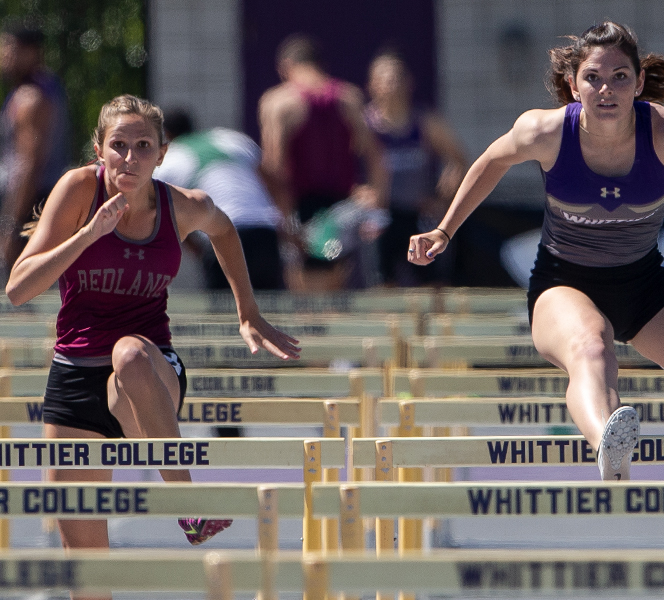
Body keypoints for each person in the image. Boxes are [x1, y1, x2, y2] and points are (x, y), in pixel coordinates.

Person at [407, 22, 664, 480]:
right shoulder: (545, 131)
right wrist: (444, 229)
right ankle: (608, 443)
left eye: (619, 77)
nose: (606, 89)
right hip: (563, 283)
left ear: (638, 83)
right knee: (591, 349)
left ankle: (612, 435)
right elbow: (490, 162)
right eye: (593, 77)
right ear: (573, 85)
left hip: (643, 284)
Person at [5, 96, 300, 567]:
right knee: (87, 571)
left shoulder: (180, 205)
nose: (130, 157)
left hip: (149, 375)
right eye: (118, 145)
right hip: (75, 380)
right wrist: (87, 236)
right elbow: (18, 289)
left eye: (143, 146)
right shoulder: (79, 190)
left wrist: (248, 312)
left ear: (162, 154)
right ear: (99, 151)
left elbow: (224, 230)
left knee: (129, 355)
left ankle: (188, 508)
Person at [258, 33, 388, 291]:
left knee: (308, 301)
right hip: (341, 209)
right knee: (336, 293)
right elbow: (376, 158)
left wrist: (286, 223)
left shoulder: (278, 103)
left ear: (285, 66)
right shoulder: (349, 97)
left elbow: (274, 168)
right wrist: (376, 205)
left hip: (302, 209)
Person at [365, 48, 468, 286]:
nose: (392, 84)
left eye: (397, 77)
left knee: (433, 284)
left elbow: (458, 159)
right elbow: (343, 164)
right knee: (382, 284)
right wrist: (359, 191)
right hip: (381, 216)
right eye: (385, 78)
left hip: (418, 214)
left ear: (408, 82)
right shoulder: (365, 125)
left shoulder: (424, 122)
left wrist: (441, 198)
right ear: (372, 84)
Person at [157, 108, 286, 291]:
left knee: (224, 313)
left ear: (166, 134)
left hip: (221, 236)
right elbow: (271, 182)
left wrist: (201, 253)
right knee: (269, 311)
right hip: (264, 232)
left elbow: (167, 217)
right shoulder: (231, 139)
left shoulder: (169, 159)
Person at [0, 25, 72, 274]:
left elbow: (29, 165)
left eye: (9, 47)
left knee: (18, 295)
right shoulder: (47, 88)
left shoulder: (31, 97)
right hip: (33, 201)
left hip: (28, 203)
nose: (4, 55)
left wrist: (10, 225)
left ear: (32, 52)